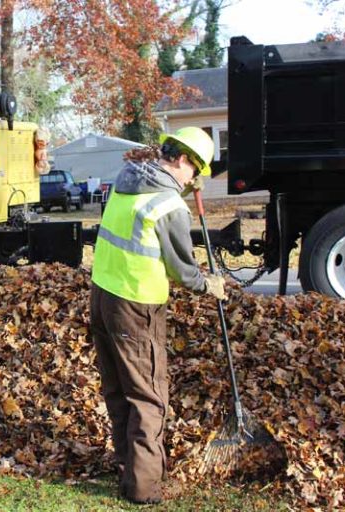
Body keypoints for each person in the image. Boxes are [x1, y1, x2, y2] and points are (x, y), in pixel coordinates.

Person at [89, 127, 227, 504]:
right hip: (136, 306)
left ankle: (128, 470)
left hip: (102, 295)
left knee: (118, 390)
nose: (192, 180)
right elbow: (182, 270)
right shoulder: (168, 205)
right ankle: (144, 489)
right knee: (149, 398)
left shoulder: (125, 181)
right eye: (194, 171)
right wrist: (207, 284)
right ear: (182, 160)